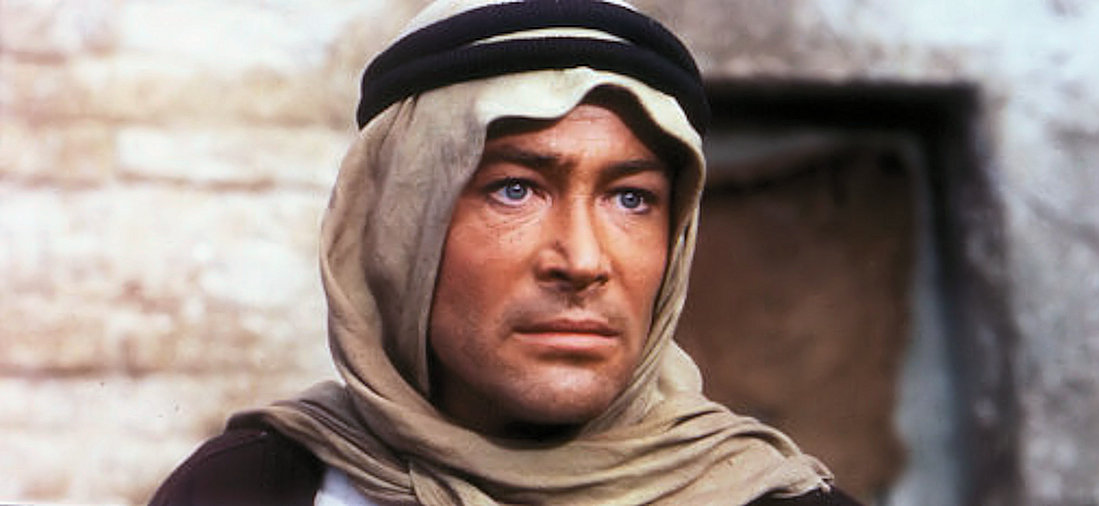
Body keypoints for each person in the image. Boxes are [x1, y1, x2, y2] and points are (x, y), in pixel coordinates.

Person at [151, 0, 861, 504]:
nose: (582, 261)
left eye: (631, 198)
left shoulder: (769, 498)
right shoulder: (252, 489)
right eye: (515, 190)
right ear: (402, 229)